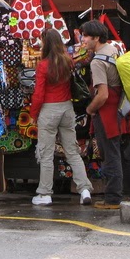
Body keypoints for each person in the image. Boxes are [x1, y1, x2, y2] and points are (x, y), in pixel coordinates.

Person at [81, 19, 130, 210]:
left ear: (96, 38)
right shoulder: (115, 49)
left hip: (108, 114)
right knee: (126, 154)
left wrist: (89, 110)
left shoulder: (98, 62)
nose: (83, 40)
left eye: (86, 36)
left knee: (111, 156)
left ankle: (113, 199)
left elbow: (103, 95)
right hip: (124, 110)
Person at [29, 27, 93, 206]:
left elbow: (39, 94)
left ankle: (45, 193)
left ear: (46, 44)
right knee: (72, 151)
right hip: (67, 108)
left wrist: (34, 114)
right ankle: (84, 189)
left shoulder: (43, 66)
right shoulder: (68, 61)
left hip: (49, 110)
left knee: (46, 153)